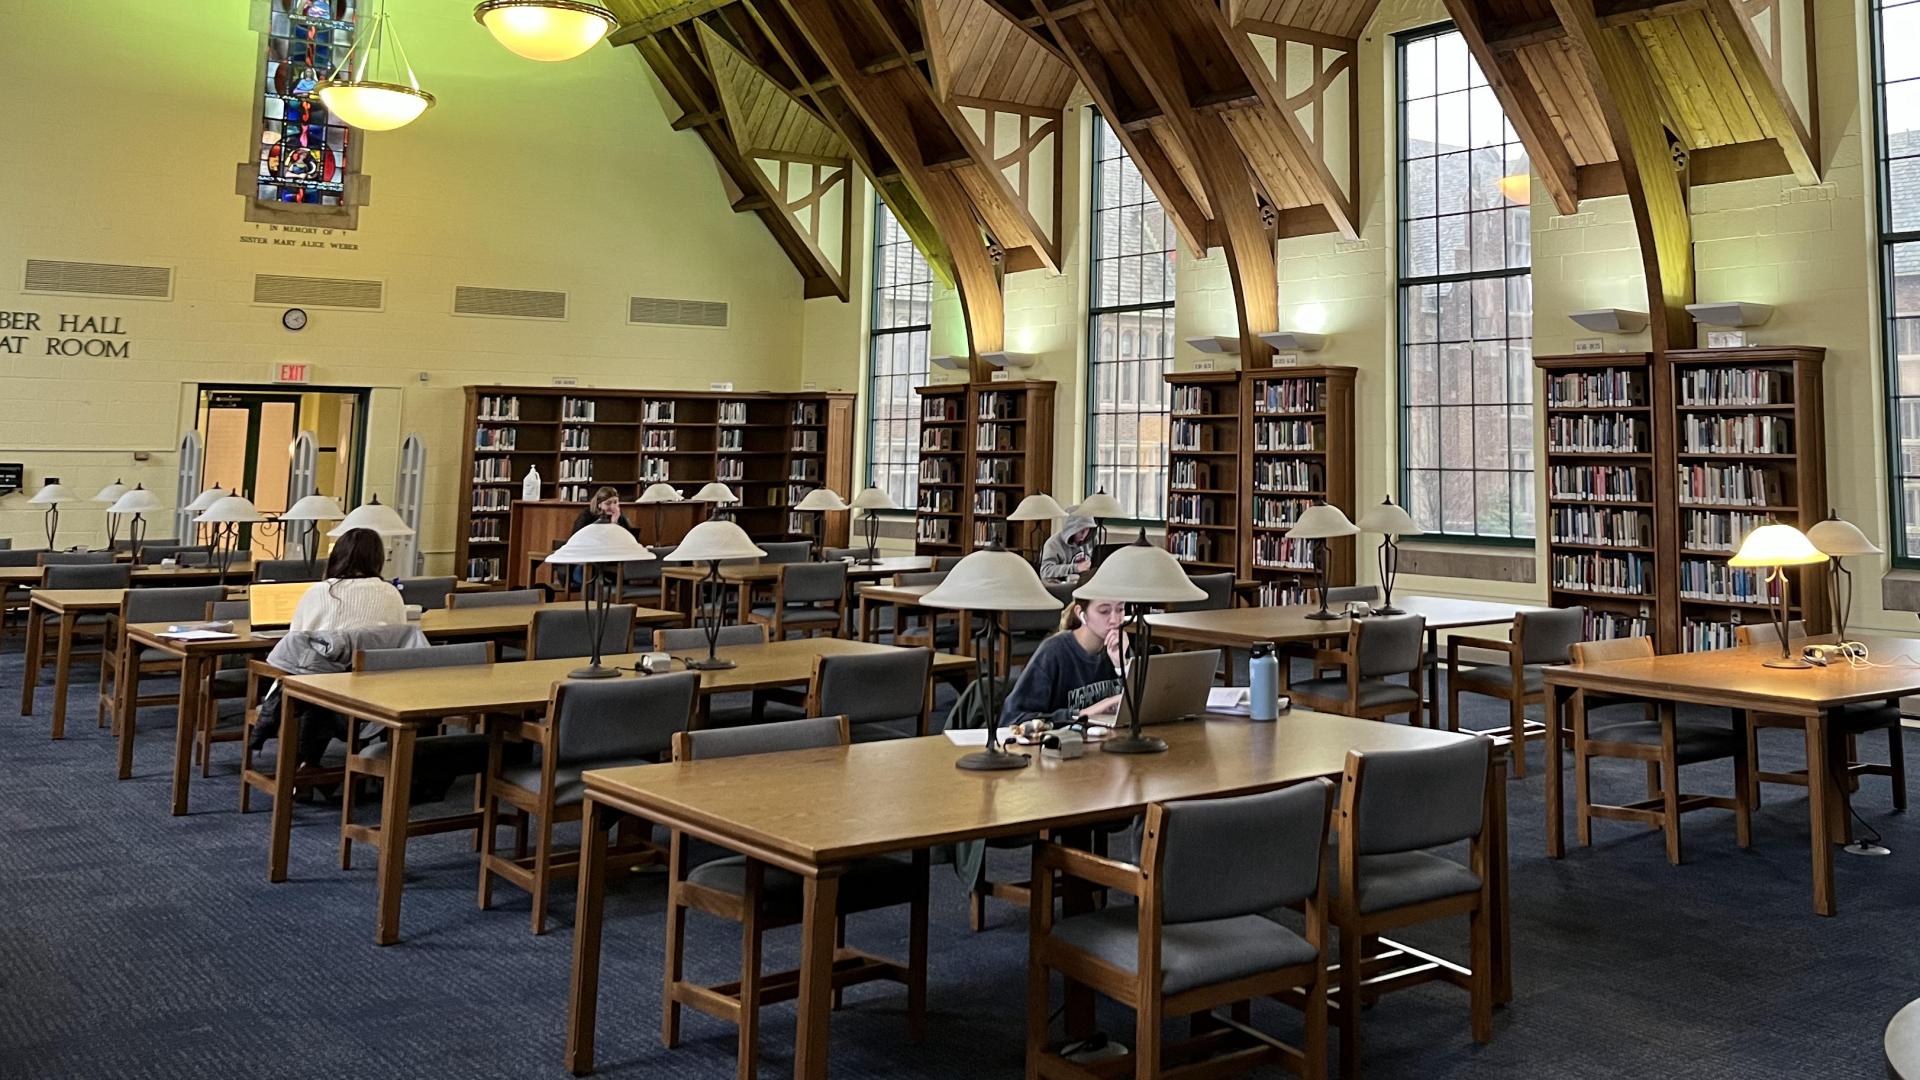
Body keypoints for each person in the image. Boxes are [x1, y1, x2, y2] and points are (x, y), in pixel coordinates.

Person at [999, 596, 1128, 726]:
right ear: (1081, 614)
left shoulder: (1120, 647)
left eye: (1120, 609)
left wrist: (1121, 666)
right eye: (1104, 611)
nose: (1115, 620)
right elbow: (1012, 718)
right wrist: (1081, 715)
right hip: (1062, 743)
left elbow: (1138, 710)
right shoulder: (1053, 652)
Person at [289, 526, 404, 631]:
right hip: (375, 654)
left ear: (336, 556)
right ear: (378, 560)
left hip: (328, 654)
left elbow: (295, 639)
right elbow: (401, 638)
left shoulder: (319, 592)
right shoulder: (391, 593)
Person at [1039, 513, 1097, 584]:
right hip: (1061, 587)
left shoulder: (1092, 540)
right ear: (1071, 528)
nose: (1083, 534)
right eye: (1081, 530)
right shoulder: (1052, 544)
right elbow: (1045, 571)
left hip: (1085, 584)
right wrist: (1076, 568)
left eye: (1087, 529)